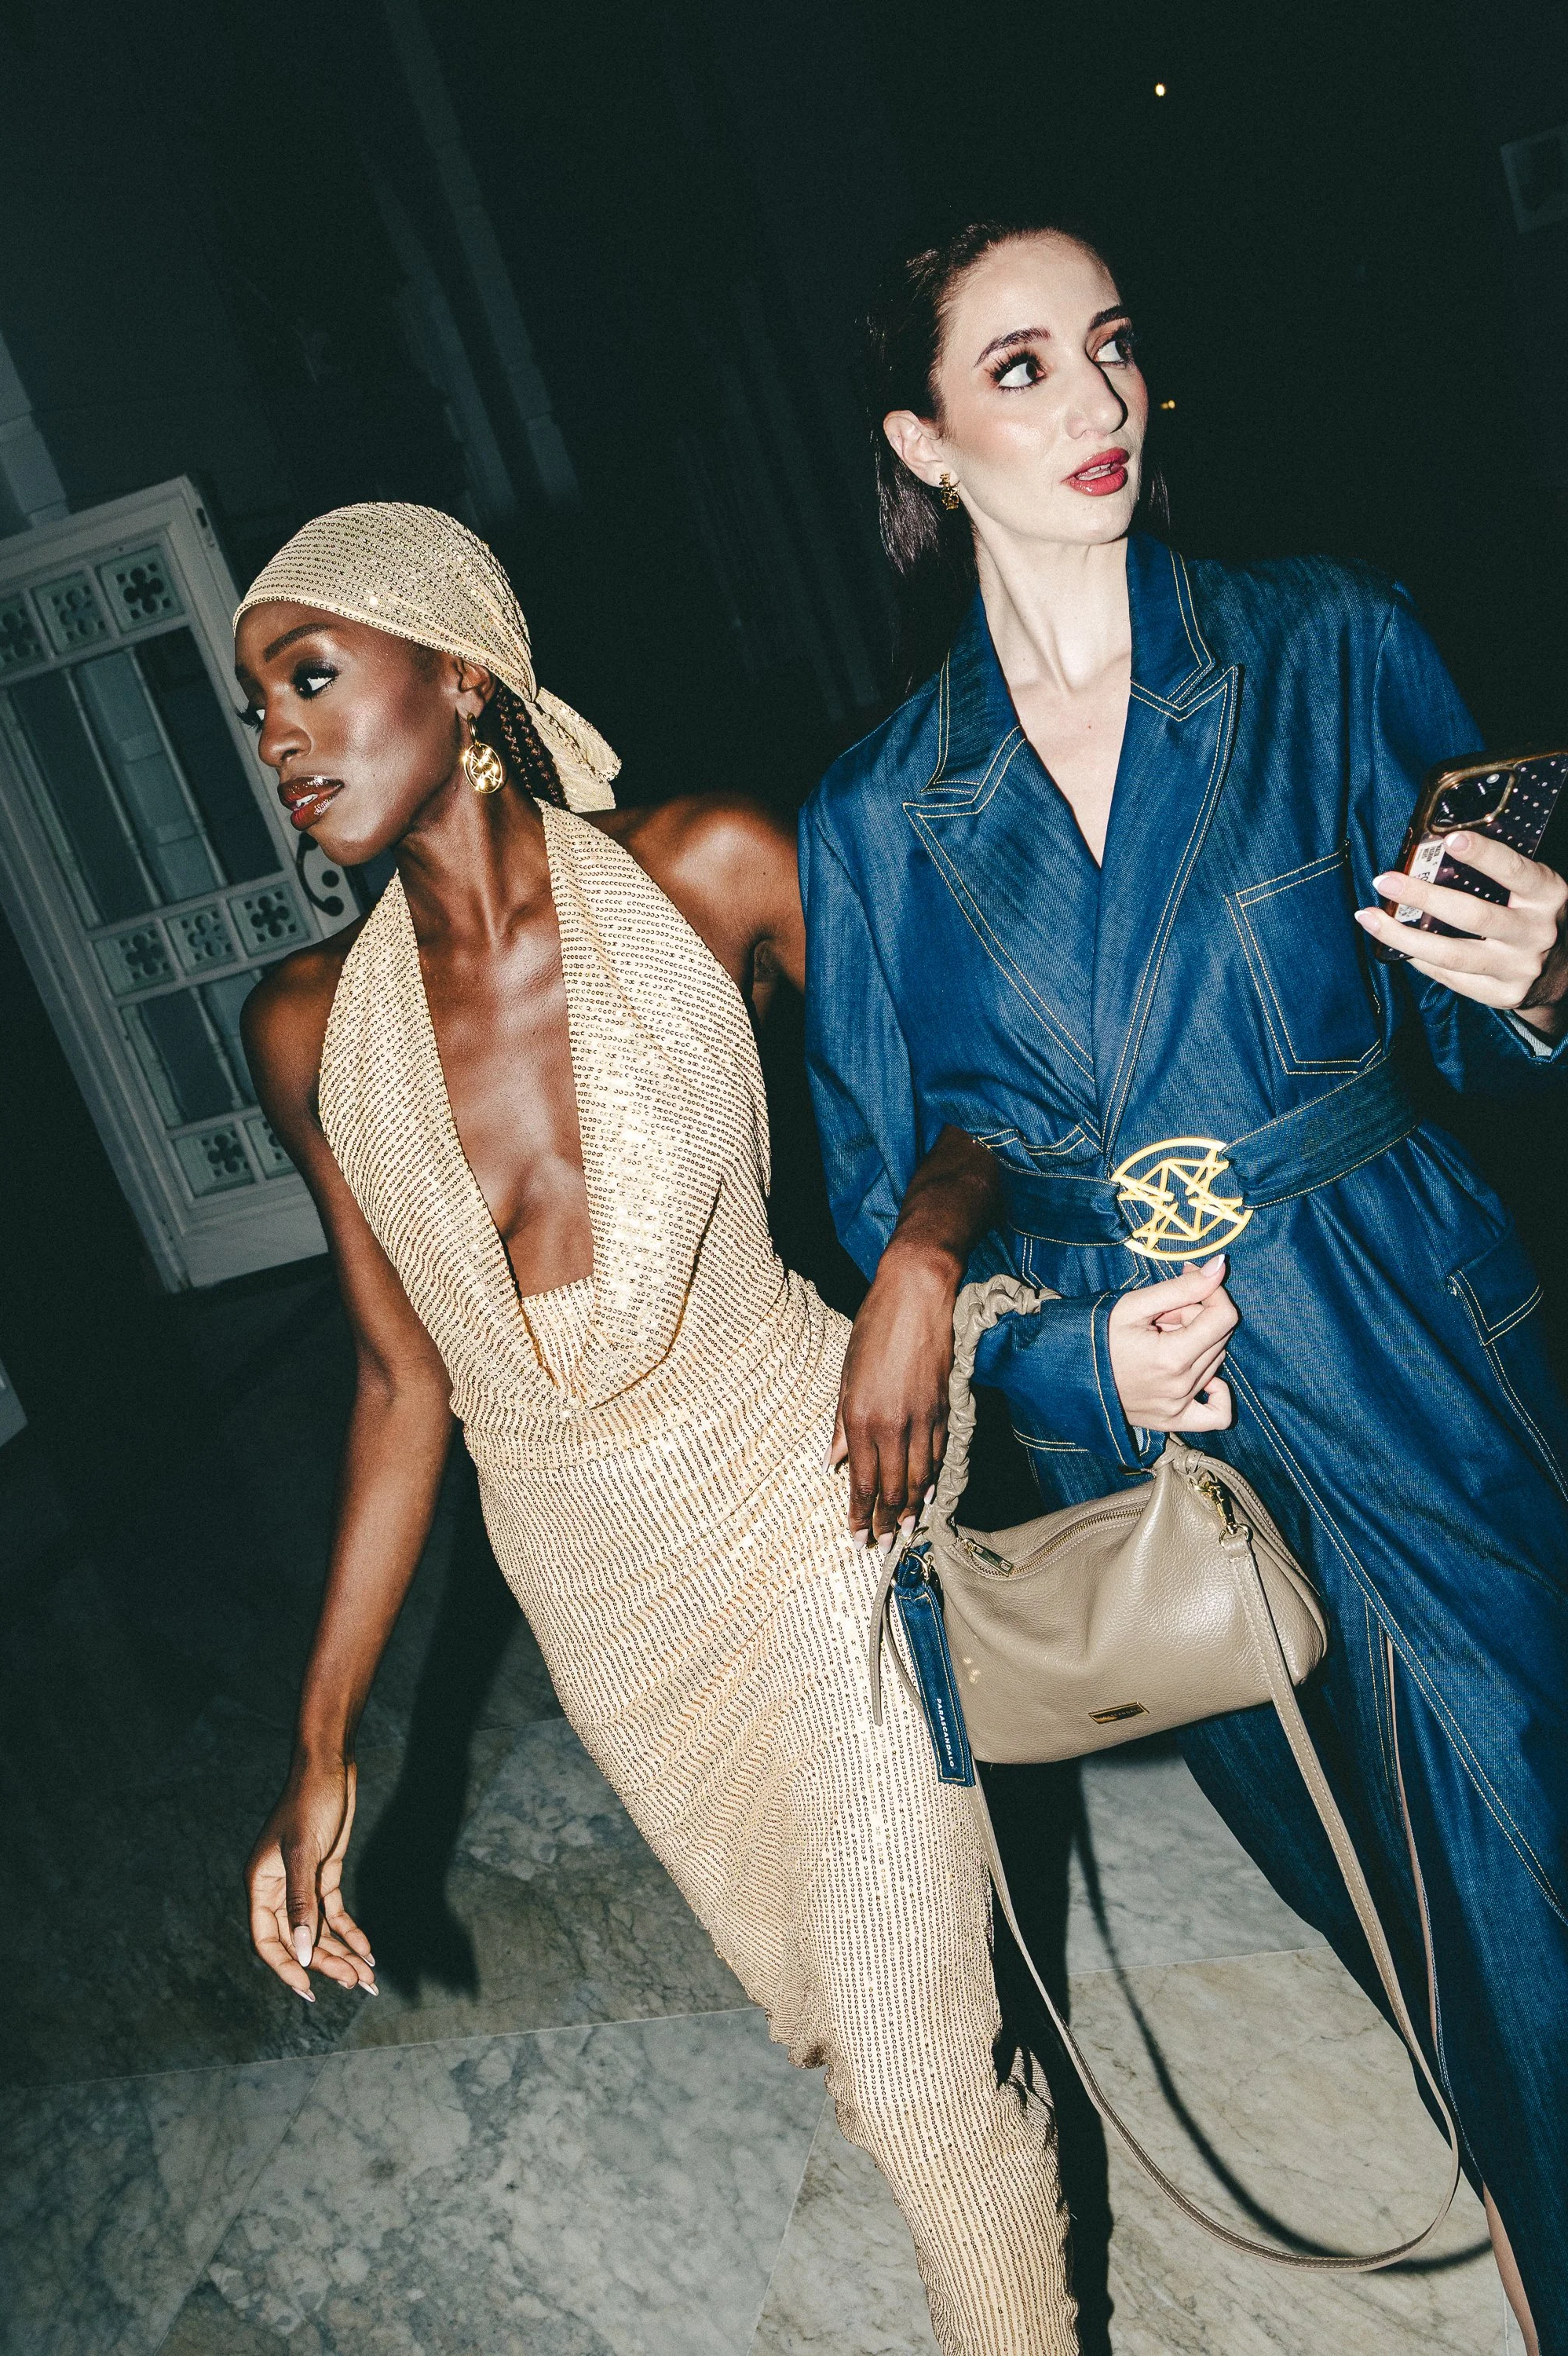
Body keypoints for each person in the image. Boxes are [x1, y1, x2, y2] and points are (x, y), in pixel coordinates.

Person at [801, 220, 1568, 2354]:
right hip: (1175, 1438)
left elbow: (1487, 993)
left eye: (1115, 350)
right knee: (1413, 1941)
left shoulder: (1327, 644)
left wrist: (1552, 973)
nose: (1101, 403)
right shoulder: (876, 816)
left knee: (1539, 1867)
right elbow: (896, 1205)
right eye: (1026, 368)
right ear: (925, 441)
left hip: (1408, 1338)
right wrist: (1069, 1351)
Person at [235, 503, 1080, 2356]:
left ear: (460, 676)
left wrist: (924, 1270)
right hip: (602, 1596)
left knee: (923, 2083)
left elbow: (980, 1092)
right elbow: (402, 1384)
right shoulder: (305, 1027)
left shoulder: (710, 865)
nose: (282, 738)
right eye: (259, 710)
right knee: (858, 2047)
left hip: (809, 1496)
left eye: (313, 677)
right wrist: (320, 1743)